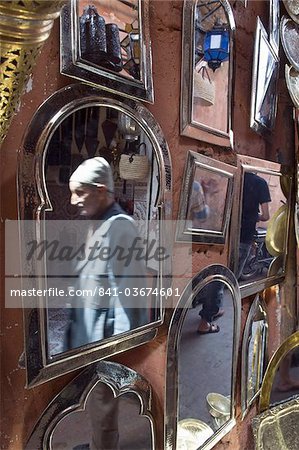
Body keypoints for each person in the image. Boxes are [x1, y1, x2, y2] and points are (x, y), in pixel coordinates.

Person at [64, 156, 149, 351]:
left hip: (101, 352)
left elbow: (130, 306)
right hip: (84, 344)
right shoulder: (98, 225)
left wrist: (117, 360)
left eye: (79, 193)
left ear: (101, 191)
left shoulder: (121, 229)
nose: (73, 200)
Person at [237, 172, 271, 280]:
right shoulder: (260, 183)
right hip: (245, 234)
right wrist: (254, 216)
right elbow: (265, 216)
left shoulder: (234, 176)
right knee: (233, 278)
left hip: (226, 233)